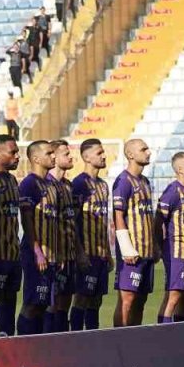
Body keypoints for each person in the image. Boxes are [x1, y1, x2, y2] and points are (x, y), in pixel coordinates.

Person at [14, 141, 63, 335]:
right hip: (36, 254)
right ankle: (23, 344)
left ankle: (38, 346)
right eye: (49, 153)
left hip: (51, 254)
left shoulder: (51, 184)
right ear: (35, 158)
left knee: (44, 304)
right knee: (33, 303)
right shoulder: (29, 184)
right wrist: (37, 251)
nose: (53, 156)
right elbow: (27, 219)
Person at [112, 139, 157, 327]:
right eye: (143, 149)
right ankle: (118, 342)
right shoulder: (123, 181)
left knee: (141, 300)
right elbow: (118, 216)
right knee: (127, 300)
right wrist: (126, 248)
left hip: (147, 253)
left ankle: (134, 341)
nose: (148, 152)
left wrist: (155, 246)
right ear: (130, 155)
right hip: (132, 253)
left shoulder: (145, 182)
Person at [70, 138, 112, 331]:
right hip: (86, 253)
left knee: (96, 299)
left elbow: (103, 221)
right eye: (99, 152)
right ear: (86, 157)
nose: (104, 156)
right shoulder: (78, 184)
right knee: (82, 297)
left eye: (103, 152)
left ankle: (94, 336)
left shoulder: (103, 185)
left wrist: (109, 253)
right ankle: (77, 337)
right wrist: (79, 252)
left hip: (101, 253)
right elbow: (73, 220)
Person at [156, 153, 184, 323]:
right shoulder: (173, 191)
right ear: (180, 169)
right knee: (173, 295)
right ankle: (163, 335)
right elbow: (158, 219)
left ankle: (181, 337)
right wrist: (160, 247)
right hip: (176, 253)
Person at [0, 134, 22, 337]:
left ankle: (6, 345)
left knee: (9, 303)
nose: (17, 156)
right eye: (13, 152)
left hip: (13, 254)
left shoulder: (12, 180)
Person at [46, 139, 83, 332]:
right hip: (53, 256)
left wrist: (78, 252)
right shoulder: (46, 185)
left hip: (69, 255)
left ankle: (62, 340)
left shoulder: (69, 186)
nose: (71, 157)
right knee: (51, 302)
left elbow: (72, 222)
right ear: (54, 156)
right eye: (66, 154)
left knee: (65, 300)